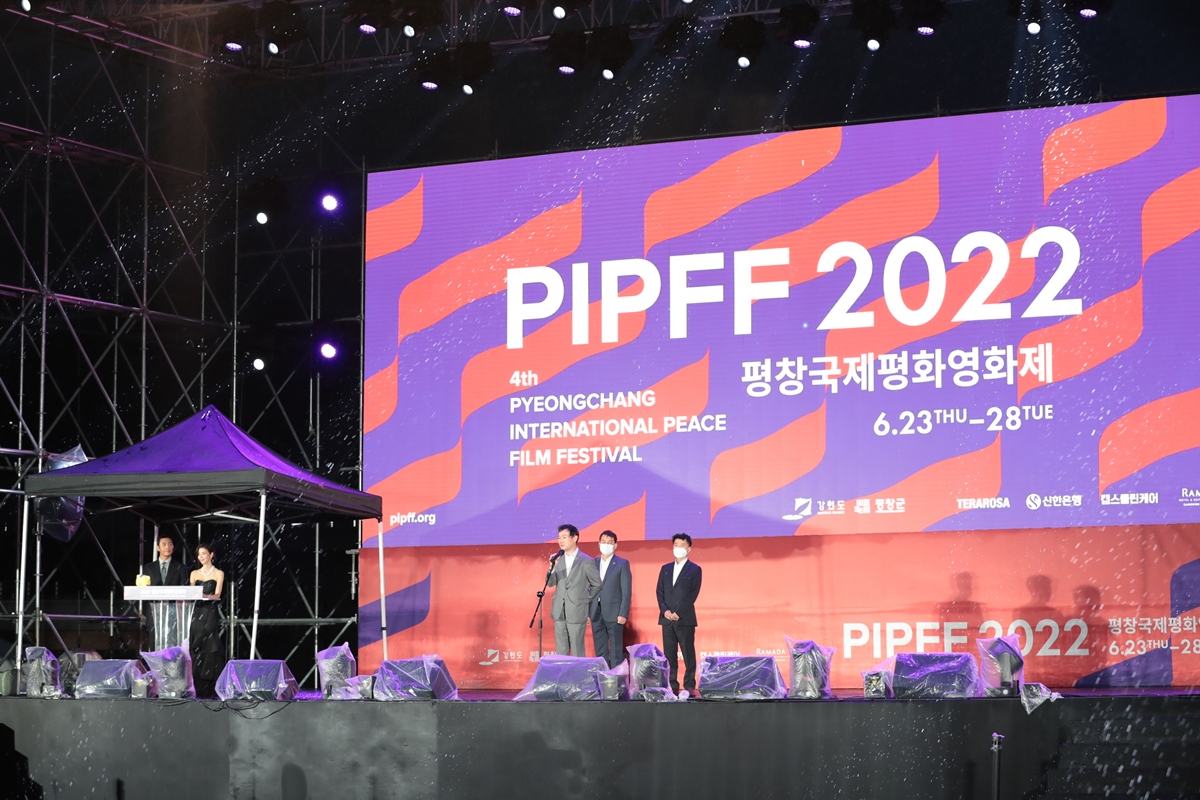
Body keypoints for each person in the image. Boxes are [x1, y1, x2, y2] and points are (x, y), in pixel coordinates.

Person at [656, 533, 702, 696]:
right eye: (676, 545)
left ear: (689, 549)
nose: (678, 548)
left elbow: (693, 594)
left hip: (684, 618)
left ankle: (689, 683)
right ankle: (671, 683)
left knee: (688, 651)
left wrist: (678, 612)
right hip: (667, 618)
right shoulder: (665, 568)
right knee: (669, 653)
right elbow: (659, 591)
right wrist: (665, 611)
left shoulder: (695, 569)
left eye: (682, 545)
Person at [547, 524, 601, 657]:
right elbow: (550, 583)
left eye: (564, 537)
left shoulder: (586, 561)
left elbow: (597, 584)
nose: (561, 541)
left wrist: (584, 598)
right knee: (561, 650)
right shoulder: (558, 559)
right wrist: (551, 568)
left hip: (576, 610)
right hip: (559, 610)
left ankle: (579, 671)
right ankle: (562, 670)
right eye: (559, 537)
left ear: (575, 538)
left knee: (577, 649)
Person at [187, 543, 227, 698]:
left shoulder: (219, 573)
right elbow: (190, 593)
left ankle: (209, 682)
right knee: (195, 642)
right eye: (199, 555)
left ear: (211, 554)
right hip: (196, 612)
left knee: (209, 641)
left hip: (210, 611)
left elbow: (217, 595)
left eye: (204, 553)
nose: (201, 557)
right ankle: (196, 682)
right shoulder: (194, 573)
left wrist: (204, 595)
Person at [589, 530, 631, 668]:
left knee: (615, 651)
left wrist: (623, 613)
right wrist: (587, 611)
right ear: (599, 544)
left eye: (609, 542)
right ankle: (603, 676)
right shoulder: (592, 563)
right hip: (596, 612)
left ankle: (616, 678)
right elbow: (588, 588)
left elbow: (626, 590)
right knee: (600, 650)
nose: (606, 545)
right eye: (603, 542)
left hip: (614, 613)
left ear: (615, 545)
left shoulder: (622, 563)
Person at [141, 534, 188, 649]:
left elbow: (185, 590)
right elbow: (144, 591)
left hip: (173, 611)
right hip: (153, 611)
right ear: (158, 548)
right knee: (154, 641)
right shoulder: (148, 568)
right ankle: (154, 660)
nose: (167, 547)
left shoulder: (181, 568)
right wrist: (146, 611)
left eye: (170, 544)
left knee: (172, 642)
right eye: (164, 544)